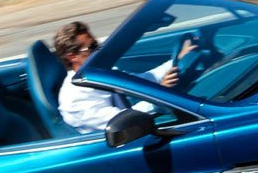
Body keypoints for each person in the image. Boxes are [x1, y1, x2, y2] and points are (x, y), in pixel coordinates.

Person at [51, 21, 196, 134]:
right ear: (73, 56)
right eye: (92, 47)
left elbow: (142, 81)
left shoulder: (99, 72)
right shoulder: (74, 101)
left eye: (97, 44)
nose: (99, 49)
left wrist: (177, 59)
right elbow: (125, 120)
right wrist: (159, 97)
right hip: (121, 145)